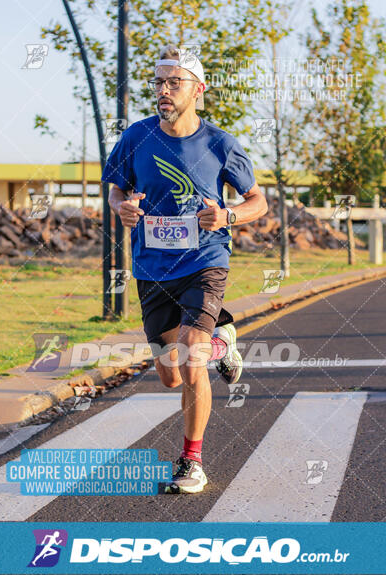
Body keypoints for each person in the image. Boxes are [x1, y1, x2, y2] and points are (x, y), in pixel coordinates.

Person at [102, 44, 267, 494]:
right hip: (152, 267)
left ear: (199, 89)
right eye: (159, 83)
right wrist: (123, 208)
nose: (164, 90)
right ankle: (222, 343)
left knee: (191, 359)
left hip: (204, 260)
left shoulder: (220, 143)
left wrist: (228, 215)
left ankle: (191, 461)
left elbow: (259, 201)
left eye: (174, 82)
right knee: (171, 373)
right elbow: (116, 191)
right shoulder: (136, 137)